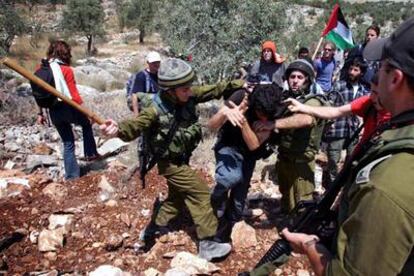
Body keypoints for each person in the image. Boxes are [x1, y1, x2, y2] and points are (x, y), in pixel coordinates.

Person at [282, 17, 414, 276]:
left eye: (382, 67)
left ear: (395, 78)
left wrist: (309, 246)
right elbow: (335, 111)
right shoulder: (378, 113)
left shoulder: (384, 186)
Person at [100, 58, 249, 261]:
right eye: (185, 89)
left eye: (189, 88)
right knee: (201, 194)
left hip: (182, 160)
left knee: (175, 200)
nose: (190, 92)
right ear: (170, 90)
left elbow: (213, 90)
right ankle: (207, 245)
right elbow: (134, 127)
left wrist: (240, 84)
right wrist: (117, 129)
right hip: (169, 164)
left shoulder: (185, 94)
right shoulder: (154, 110)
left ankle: (151, 230)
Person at [208, 84, 286, 242]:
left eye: (267, 116)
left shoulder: (275, 112)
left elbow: (254, 145)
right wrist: (225, 112)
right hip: (228, 146)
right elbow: (211, 126)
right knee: (229, 178)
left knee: (239, 198)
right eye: (260, 114)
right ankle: (214, 205)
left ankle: (230, 228)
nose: (264, 119)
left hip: (249, 155)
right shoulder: (240, 97)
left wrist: (243, 122)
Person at [254, 59, 327, 214]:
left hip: (302, 163)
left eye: (299, 77)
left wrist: (273, 124)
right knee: (286, 199)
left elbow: (305, 119)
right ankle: (287, 227)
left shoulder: (313, 101)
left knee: (302, 204)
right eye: (292, 77)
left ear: (307, 80)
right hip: (284, 159)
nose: (295, 81)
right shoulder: (286, 99)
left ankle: (301, 234)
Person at [35, 40, 99, 180]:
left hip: (53, 110)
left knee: (68, 142)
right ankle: (91, 154)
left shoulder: (42, 69)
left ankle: (71, 176)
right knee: (86, 123)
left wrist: (40, 113)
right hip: (67, 108)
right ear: (65, 54)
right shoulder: (66, 70)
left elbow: (39, 94)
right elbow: (74, 96)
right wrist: (87, 113)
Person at [285, 72, 391, 156]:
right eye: (371, 91)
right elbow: (335, 111)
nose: (371, 96)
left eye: (376, 93)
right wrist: (302, 107)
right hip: (362, 158)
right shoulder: (368, 102)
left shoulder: (401, 117)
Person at [322, 57, 369, 187]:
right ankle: (331, 187)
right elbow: (329, 105)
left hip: (353, 130)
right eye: (351, 69)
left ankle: (345, 187)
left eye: (356, 70)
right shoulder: (339, 85)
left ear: (361, 73)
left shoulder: (363, 90)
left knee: (351, 160)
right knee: (333, 160)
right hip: (337, 128)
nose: (352, 72)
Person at [340, 24, 381, 89]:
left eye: (372, 35)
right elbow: (346, 67)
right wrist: (342, 83)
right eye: (367, 35)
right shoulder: (357, 49)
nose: (369, 37)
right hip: (354, 86)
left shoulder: (380, 54)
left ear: (377, 37)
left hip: (369, 88)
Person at [127, 51, 161, 115]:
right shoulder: (141, 76)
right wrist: (136, 116)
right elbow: (135, 96)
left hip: (155, 104)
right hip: (145, 106)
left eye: (158, 62)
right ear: (148, 63)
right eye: (153, 62)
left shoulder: (160, 75)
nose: (156, 64)